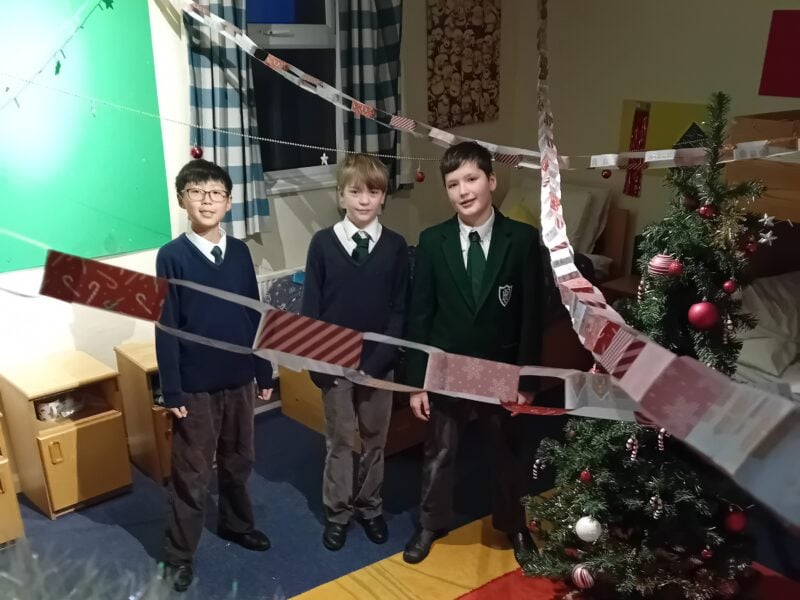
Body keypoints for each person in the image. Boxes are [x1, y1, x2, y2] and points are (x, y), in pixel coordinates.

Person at [402, 141, 544, 566]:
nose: (463, 191)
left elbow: (530, 317)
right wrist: (417, 383)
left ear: (491, 181)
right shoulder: (431, 241)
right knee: (439, 452)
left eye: (471, 179)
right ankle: (430, 522)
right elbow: (420, 316)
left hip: (499, 369)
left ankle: (515, 525)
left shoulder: (521, 241)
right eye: (452, 184)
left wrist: (528, 382)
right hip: (447, 368)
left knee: (507, 452)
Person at [155, 159, 273, 592]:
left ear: (228, 201)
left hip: (240, 377)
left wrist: (263, 369)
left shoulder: (240, 251)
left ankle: (237, 524)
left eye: (216, 193)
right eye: (197, 191)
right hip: (196, 386)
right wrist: (172, 389)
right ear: (183, 198)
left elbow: (254, 314)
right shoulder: (171, 256)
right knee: (191, 472)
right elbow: (165, 323)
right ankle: (178, 554)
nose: (207, 199)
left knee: (240, 460)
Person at [301, 154, 409, 551]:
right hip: (334, 364)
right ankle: (339, 512)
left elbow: (400, 309)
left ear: (383, 197)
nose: (364, 200)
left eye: (374, 191)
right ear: (341, 195)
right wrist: (318, 364)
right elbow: (310, 310)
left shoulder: (396, 246)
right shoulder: (323, 244)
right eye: (356, 191)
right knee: (340, 441)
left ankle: (370, 506)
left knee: (376, 439)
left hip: (379, 365)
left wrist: (383, 359)